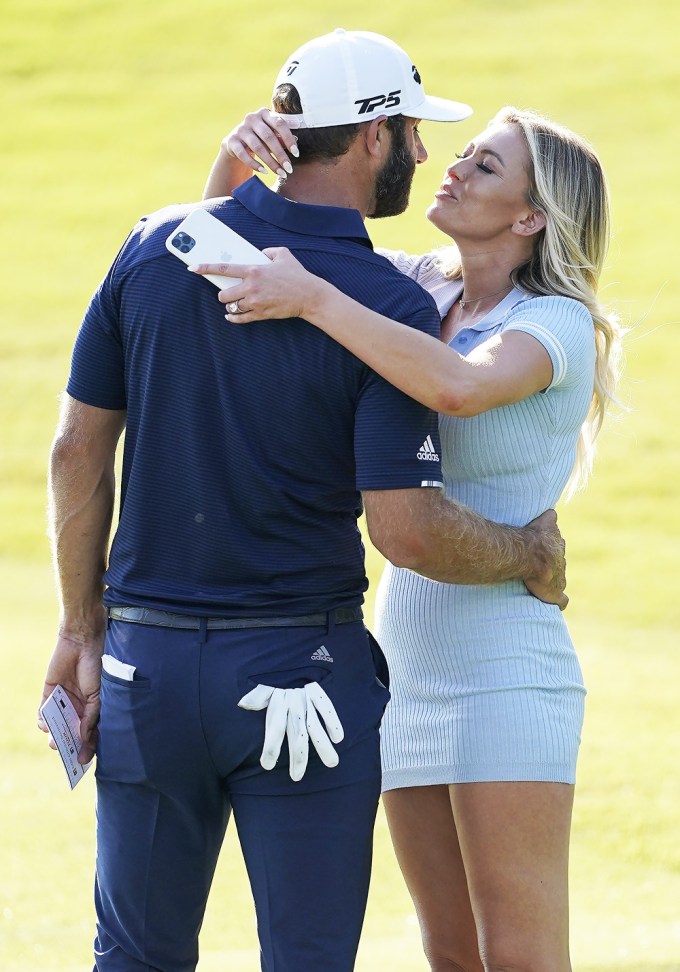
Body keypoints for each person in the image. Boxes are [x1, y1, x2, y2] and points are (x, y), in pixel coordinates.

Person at [38, 29, 568, 972]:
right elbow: (404, 530)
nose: (420, 154)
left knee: (132, 957)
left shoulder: (154, 244)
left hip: (143, 669)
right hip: (299, 681)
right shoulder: (386, 308)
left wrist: (81, 628)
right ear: (371, 139)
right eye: (411, 132)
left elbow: (78, 449)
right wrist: (527, 552)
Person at [193, 103, 624, 971]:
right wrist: (233, 165)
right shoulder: (416, 289)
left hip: (508, 669)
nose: (452, 168)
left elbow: (458, 388)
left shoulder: (555, 325)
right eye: (462, 153)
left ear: (531, 217)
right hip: (404, 663)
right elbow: (223, 263)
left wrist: (314, 298)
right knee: (453, 958)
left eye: (487, 167)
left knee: (522, 959)